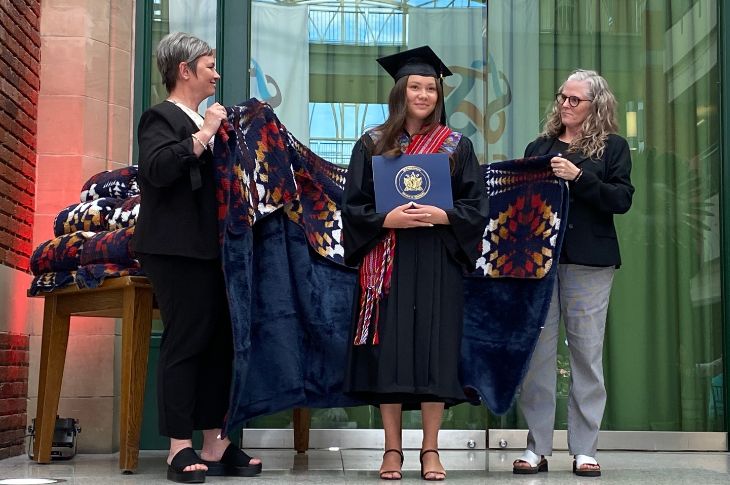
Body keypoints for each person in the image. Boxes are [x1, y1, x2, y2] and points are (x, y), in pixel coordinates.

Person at [341, 46, 489, 481]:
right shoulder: (372, 143)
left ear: (439, 95)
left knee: (434, 352)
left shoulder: (457, 146)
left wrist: (445, 215)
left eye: (430, 88)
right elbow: (352, 205)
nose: (423, 94)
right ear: (400, 92)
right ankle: (391, 450)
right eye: (415, 87)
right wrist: (385, 218)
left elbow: (476, 205)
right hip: (386, 261)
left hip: (438, 258)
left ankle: (430, 450)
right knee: (389, 352)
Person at [134, 32, 262, 483]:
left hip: (216, 251)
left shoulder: (212, 120)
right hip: (175, 249)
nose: (217, 73)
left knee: (220, 346)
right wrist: (204, 133)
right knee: (186, 340)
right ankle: (178, 447)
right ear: (184, 70)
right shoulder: (161, 117)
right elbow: (156, 168)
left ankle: (216, 443)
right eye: (210, 65)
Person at [513, 69, 634, 477]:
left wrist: (578, 177)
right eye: (563, 97)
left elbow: (620, 200)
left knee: (585, 356)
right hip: (541, 263)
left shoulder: (613, 147)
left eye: (575, 99)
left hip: (590, 263)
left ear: (595, 105)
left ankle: (585, 449)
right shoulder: (540, 146)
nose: (566, 104)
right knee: (537, 358)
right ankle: (537, 448)